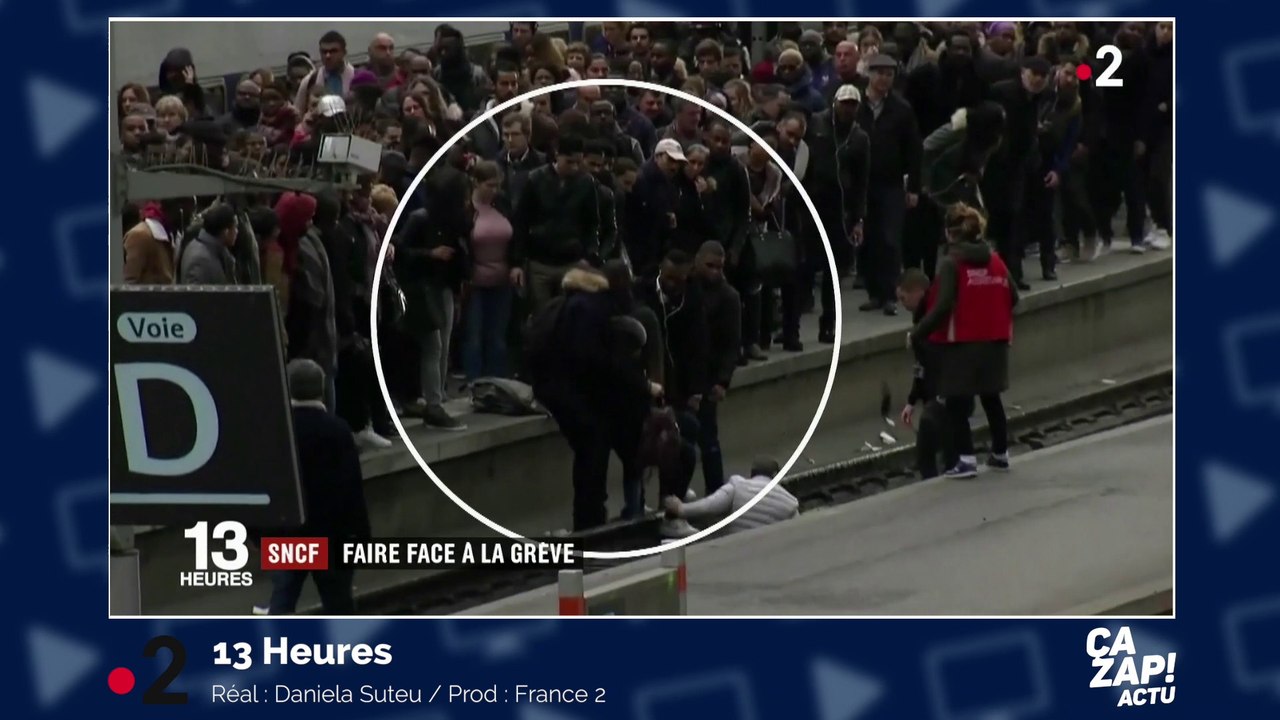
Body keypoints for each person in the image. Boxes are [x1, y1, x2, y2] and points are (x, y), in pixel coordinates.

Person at [908, 203, 1018, 479]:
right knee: (991, 397)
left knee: (957, 402)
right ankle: (1001, 453)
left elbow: (942, 305)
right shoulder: (996, 260)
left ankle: (966, 459)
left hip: (963, 342)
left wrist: (918, 332)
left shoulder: (951, 263)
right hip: (996, 339)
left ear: (949, 233)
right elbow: (1014, 296)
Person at [267, 359, 371, 615]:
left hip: (289, 533)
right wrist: (362, 535)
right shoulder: (338, 430)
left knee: (283, 600)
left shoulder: (278, 430)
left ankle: (275, 650)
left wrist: (260, 537)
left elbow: (266, 488)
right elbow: (352, 488)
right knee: (339, 603)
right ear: (322, 388)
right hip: (332, 535)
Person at [855, 53, 921, 316]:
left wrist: (914, 186)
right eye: (879, 73)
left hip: (891, 182)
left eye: (889, 74)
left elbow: (914, 150)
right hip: (862, 183)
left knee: (890, 239)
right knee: (867, 239)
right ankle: (874, 292)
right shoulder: (856, 104)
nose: (883, 79)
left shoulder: (901, 109)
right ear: (869, 75)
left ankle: (891, 292)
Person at [804, 84, 870, 343]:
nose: (848, 108)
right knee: (806, 263)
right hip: (811, 201)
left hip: (840, 208)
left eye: (852, 104)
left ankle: (829, 322)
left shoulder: (859, 137)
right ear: (835, 103)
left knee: (834, 270)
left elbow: (862, 180)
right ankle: (793, 323)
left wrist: (858, 218)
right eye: (844, 103)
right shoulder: (816, 124)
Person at [513, 133, 601, 314]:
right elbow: (521, 222)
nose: (575, 167)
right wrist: (517, 262)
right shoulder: (535, 180)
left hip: (571, 260)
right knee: (542, 315)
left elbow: (592, 223)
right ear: (557, 156)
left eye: (578, 162)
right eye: (569, 162)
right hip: (540, 261)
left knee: (570, 315)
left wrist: (589, 255)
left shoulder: (585, 183)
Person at [462, 160, 518, 382]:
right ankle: (474, 382)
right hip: (475, 280)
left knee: (497, 336)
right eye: (489, 185)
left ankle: (496, 382)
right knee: (474, 336)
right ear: (476, 183)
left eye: (497, 186)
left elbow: (515, 237)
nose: (494, 191)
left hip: (502, 279)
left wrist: (515, 265)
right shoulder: (467, 209)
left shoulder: (503, 204)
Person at [692, 241, 740, 494]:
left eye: (719, 267)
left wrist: (722, 381)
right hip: (686, 373)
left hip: (708, 376)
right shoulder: (689, 289)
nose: (715, 272)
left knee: (708, 439)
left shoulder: (728, 297)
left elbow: (731, 344)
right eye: (709, 266)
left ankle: (715, 489)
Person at [896, 268, 951, 479]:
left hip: (941, 393)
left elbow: (929, 362)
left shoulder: (928, 321)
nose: (903, 304)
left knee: (929, 447)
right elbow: (921, 367)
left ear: (917, 292)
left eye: (903, 298)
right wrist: (912, 401)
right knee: (944, 442)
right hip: (939, 394)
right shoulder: (924, 319)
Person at [662, 455, 799, 534]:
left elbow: (708, 506)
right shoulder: (790, 503)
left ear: (752, 473)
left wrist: (680, 508)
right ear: (776, 476)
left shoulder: (738, 486)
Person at [177, 203, 239, 285]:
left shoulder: (214, 250)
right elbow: (193, 297)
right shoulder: (199, 262)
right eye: (235, 227)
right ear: (226, 232)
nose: (237, 231)